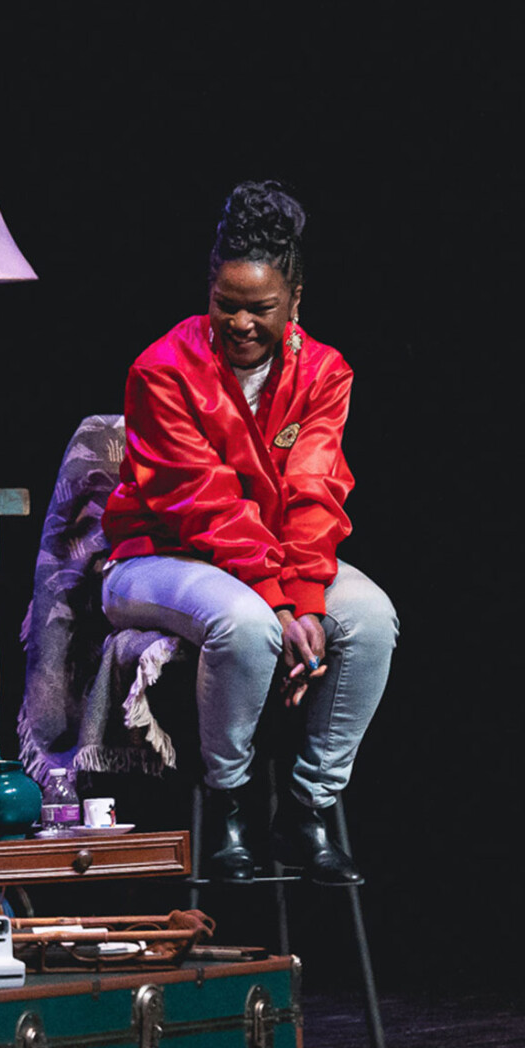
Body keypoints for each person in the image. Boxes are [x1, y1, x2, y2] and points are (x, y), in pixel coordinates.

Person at [99, 181, 399, 884]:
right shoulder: (163, 370)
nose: (239, 323)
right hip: (157, 556)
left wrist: (308, 600)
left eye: (259, 308)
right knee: (246, 623)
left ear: (295, 302)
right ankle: (230, 800)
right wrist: (285, 602)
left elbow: (314, 492)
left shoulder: (324, 372)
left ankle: (308, 807)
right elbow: (204, 503)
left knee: (373, 619)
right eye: (224, 305)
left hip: (266, 559)